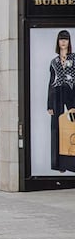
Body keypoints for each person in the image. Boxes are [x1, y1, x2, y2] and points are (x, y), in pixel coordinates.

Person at [47, 30, 75, 172]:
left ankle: (71, 162)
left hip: (71, 93)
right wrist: (49, 104)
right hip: (57, 94)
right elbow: (51, 83)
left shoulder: (74, 58)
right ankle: (58, 163)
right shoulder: (54, 62)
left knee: (72, 128)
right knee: (56, 128)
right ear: (58, 42)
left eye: (66, 39)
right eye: (61, 39)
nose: (63, 42)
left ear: (69, 42)